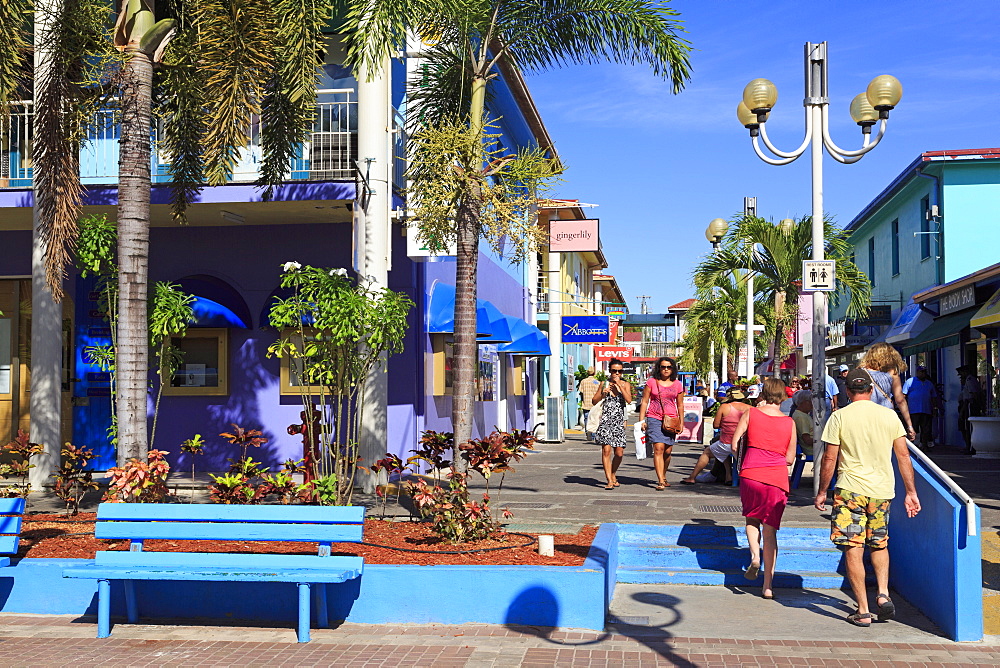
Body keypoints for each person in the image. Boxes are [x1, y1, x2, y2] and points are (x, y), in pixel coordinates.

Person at [814, 368, 921, 627]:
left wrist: (821, 491)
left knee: (853, 547)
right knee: (880, 543)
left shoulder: (839, 417)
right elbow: (903, 456)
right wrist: (911, 492)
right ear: (871, 390)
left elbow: (829, 458)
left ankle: (862, 610)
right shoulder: (889, 415)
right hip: (882, 491)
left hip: (850, 490)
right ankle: (882, 594)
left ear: (848, 392)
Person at [730, 378, 796, 599]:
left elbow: (734, 443)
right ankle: (767, 586)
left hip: (751, 473)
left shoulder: (751, 413)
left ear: (764, 392)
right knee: (770, 532)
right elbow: (790, 458)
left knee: (751, 518)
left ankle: (754, 557)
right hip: (776, 478)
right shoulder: (789, 422)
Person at [681, 387, 749, 485]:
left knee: (707, 453)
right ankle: (728, 476)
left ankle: (692, 477)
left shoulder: (724, 407)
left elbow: (716, 425)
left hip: (727, 442)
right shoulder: (750, 408)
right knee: (721, 451)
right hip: (743, 444)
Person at [637, 356, 684, 490]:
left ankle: (663, 475)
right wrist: (642, 420)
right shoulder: (651, 382)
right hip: (654, 418)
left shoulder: (677, 384)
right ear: (659, 368)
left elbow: (680, 405)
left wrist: (681, 422)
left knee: (667, 451)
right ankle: (660, 481)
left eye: (669, 367)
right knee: (658, 448)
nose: (666, 370)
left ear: (673, 369)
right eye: (663, 367)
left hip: (672, 420)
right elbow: (645, 401)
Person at [859, 343, 916, 441]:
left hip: (865, 415)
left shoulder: (860, 372)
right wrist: (909, 426)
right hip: (887, 416)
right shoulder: (892, 374)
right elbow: (900, 400)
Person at [592, 359, 632, 490]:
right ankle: (609, 480)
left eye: (619, 371)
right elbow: (594, 401)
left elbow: (629, 400)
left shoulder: (625, 384)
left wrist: (620, 387)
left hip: (618, 422)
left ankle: (613, 473)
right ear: (610, 371)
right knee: (606, 451)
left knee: (619, 453)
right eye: (614, 371)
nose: (616, 373)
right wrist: (603, 392)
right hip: (605, 421)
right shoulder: (604, 383)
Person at [903, 366, 936, 450]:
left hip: (926, 410)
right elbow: (904, 395)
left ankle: (924, 445)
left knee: (926, 429)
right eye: (921, 372)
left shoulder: (929, 383)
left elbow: (933, 397)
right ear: (917, 372)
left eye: (924, 372)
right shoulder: (910, 382)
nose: (923, 373)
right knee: (913, 428)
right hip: (913, 410)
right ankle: (911, 447)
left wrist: (935, 408)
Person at [957, 364, 983, 455]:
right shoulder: (969, 380)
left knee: (969, 427)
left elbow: (973, 395)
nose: (960, 376)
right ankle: (968, 446)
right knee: (965, 427)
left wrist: (978, 406)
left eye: (961, 374)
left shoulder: (969, 380)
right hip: (967, 405)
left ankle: (971, 448)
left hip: (969, 406)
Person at [578, 367, 601, 441]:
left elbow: (581, 391)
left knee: (586, 418)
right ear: (594, 373)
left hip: (586, 403)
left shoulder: (583, 381)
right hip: (595, 404)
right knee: (594, 419)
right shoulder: (597, 382)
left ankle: (588, 432)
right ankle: (594, 434)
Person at [791, 390, 815, 457]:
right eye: (811, 402)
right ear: (805, 402)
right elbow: (806, 440)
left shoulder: (802, 415)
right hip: (812, 450)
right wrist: (820, 441)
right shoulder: (801, 417)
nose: (813, 404)